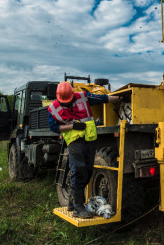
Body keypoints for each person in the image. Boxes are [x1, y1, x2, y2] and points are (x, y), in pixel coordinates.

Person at [48, 82, 119, 219]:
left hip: (89, 140)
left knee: (88, 171)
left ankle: (72, 202)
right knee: (79, 170)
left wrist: (119, 98)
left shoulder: (82, 97)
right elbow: (54, 128)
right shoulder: (53, 108)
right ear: (58, 97)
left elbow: (103, 99)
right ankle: (78, 208)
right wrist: (71, 126)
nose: (66, 104)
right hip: (75, 142)